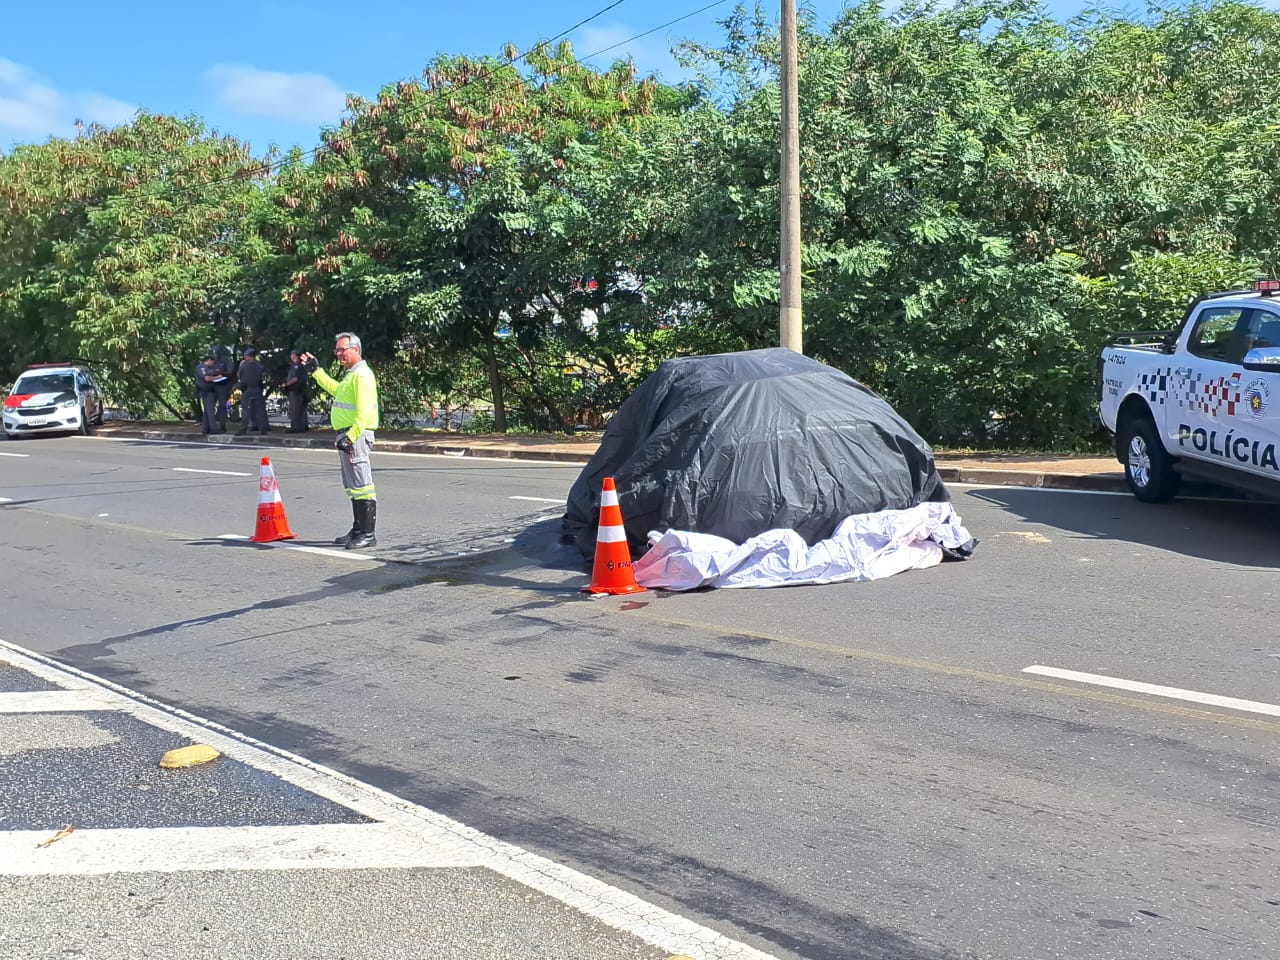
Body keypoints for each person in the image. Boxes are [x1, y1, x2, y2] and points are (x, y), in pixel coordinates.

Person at [300, 333, 379, 549]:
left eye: (342, 349)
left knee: (362, 485)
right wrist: (317, 372)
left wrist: (351, 437)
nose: (338, 354)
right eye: (337, 350)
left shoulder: (362, 375)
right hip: (348, 435)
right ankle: (358, 529)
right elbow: (337, 391)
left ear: (356, 350)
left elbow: (364, 412)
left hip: (355, 435)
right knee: (352, 485)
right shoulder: (352, 375)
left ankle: (367, 533)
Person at [235, 347, 268, 435]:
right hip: (257, 389)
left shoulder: (243, 365)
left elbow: (238, 375)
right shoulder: (260, 366)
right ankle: (263, 429)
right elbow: (264, 376)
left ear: (249, 356)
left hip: (247, 389)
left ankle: (243, 429)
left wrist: (240, 367)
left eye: (246, 356)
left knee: (246, 409)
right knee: (260, 409)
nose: (245, 358)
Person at [283, 349, 309, 433]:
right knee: (301, 410)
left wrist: (286, 384)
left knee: (295, 409)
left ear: (295, 356)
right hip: (300, 390)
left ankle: (296, 428)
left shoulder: (297, 366)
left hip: (296, 390)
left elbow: (295, 378)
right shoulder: (299, 366)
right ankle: (303, 426)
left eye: (292, 355)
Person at [209, 346, 234, 434]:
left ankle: (222, 426)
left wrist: (220, 373)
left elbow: (230, 373)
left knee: (222, 407)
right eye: (214, 353)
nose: (215, 355)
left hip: (223, 386)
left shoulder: (227, 361)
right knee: (210, 407)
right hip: (211, 386)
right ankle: (210, 427)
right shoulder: (211, 361)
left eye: (217, 353)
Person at [195, 352, 218, 434]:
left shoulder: (207, 368)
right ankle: (213, 429)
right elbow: (207, 378)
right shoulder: (202, 367)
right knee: (211, 410)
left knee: (207, 411)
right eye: (212, 362)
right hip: (207, 391)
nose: (213, 364)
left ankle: (206, 428)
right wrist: (218, 377)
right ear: (209, 360)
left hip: (209, 391)